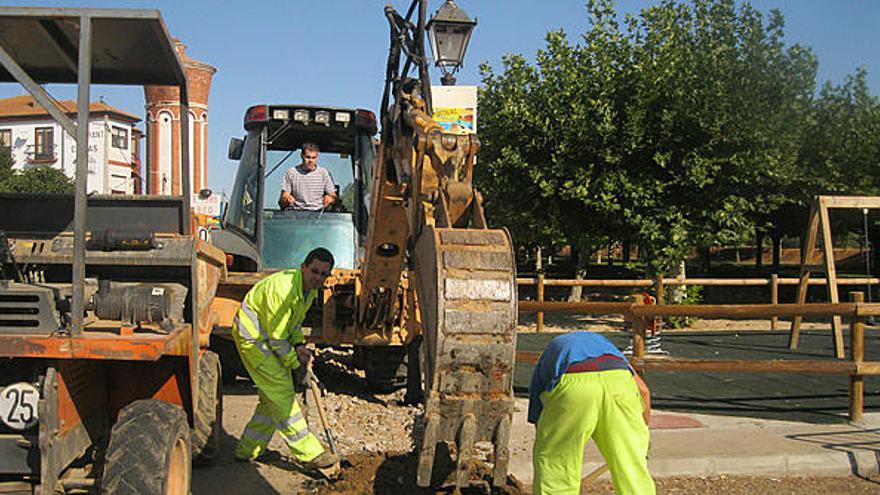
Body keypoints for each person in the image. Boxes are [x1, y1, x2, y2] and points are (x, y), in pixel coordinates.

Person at [232, 247, 338, 471]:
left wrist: (299, 346)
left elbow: (293, 325)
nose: (318, 277)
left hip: (268, 338)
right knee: (282, 394)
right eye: (315, 271)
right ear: (303, 267)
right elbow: (278, 339)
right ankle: (310, 454)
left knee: (271, 400)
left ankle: (248, 449)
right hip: (254, 340)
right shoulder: (284, 289)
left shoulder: (307, 291)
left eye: (323, 274)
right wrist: (294, 363)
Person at [529, 331, 655, 495]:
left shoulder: (550, 353)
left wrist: (549, 436)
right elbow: (644, 391)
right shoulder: (612, 352)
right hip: (619, 383)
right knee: (631, 464)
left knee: (556, 461)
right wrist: (641, 431)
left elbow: (537, 411)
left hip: (573, 382)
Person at [278, 142, 337, 211]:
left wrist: (330, 198)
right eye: (308, 157)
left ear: (317, 157)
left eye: (313, 158)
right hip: (296, 214)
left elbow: (334, 197)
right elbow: (282, 199)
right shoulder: (292, 173)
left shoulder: (324, 173)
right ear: (302, 156)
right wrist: (286, 199)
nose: (310, 161)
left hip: (319, 214)